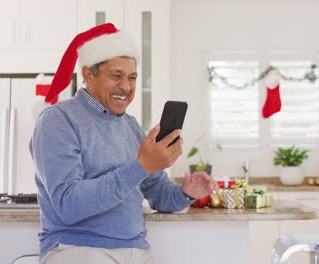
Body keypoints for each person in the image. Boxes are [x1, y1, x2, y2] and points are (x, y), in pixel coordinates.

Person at [29, 23, 217, 264]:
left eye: (132, 77)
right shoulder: (57, 120)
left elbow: (158, 193)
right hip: (77, 249)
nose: (126, 87)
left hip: (136, 251)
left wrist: (185, 192)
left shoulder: (130, 126)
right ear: (88, 75)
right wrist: (141, 166)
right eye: (116, 76)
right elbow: (69, 204)